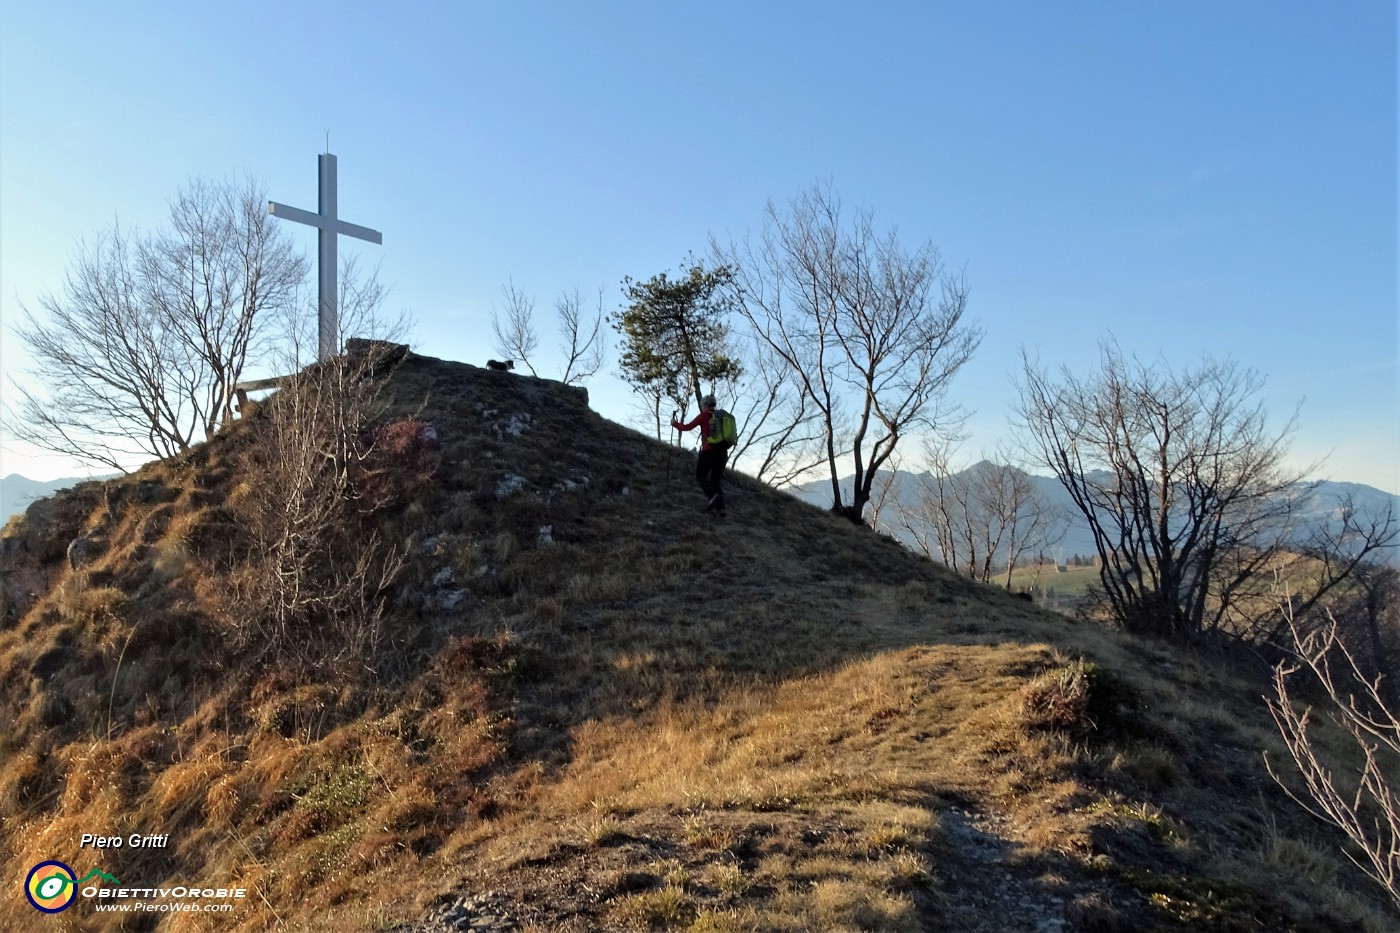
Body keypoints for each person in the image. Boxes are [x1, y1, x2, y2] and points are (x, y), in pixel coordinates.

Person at [673, 395, 728, 515]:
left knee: (700, 476)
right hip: (723, 453)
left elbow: (687, 427)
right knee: (715, 480)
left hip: (708, 451)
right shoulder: (722, 416)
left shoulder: (704, 416)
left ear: (704, 405)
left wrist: (675, 424)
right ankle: (721, 509)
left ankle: (712, 496)